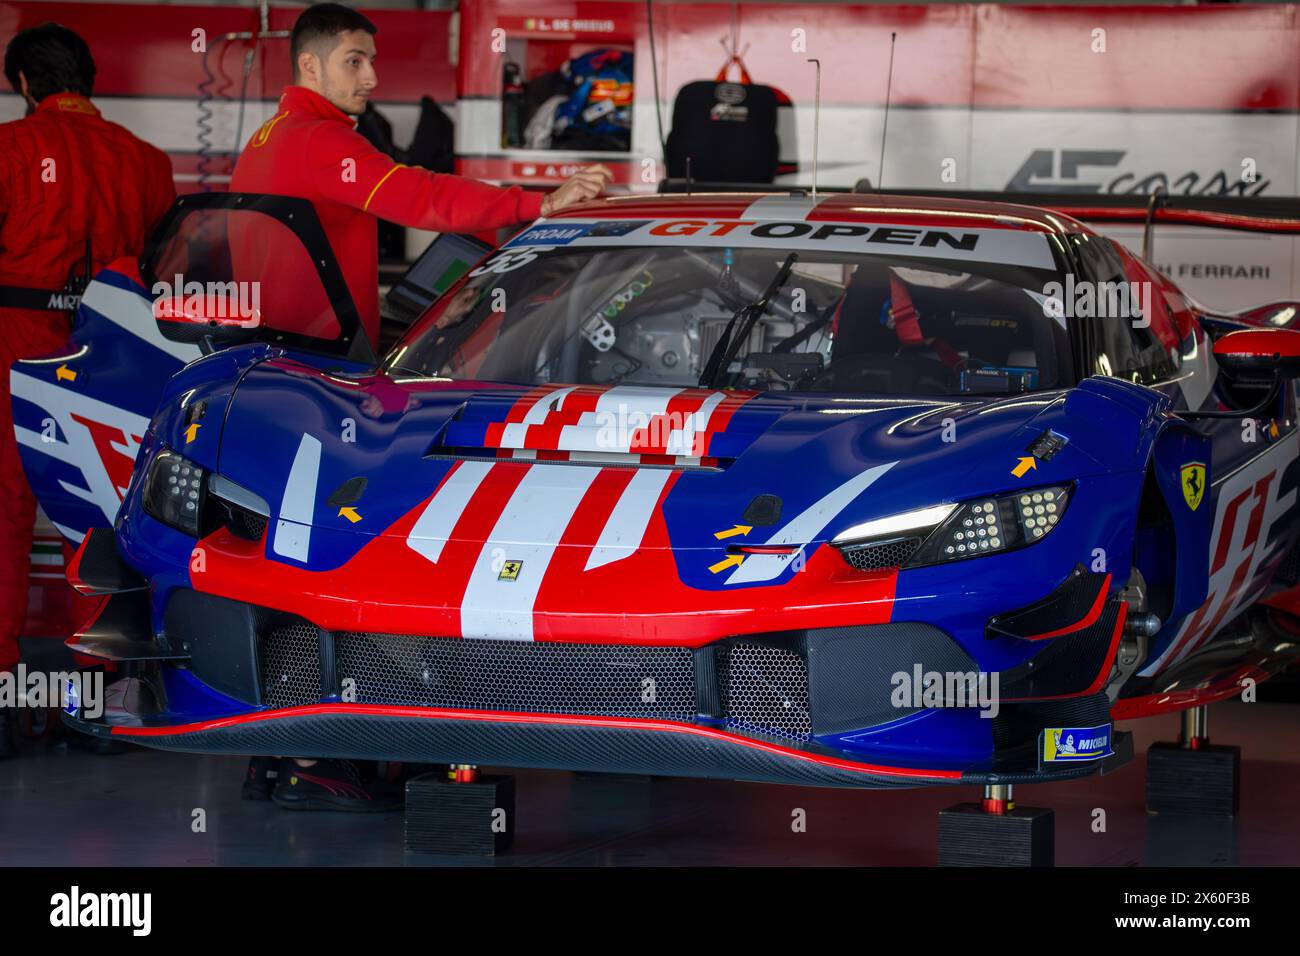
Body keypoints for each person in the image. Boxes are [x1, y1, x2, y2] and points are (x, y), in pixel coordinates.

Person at [231, 2, 612, 352]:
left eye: (371, 61)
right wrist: (540, 203)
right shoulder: (322, 139)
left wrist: (415, 320)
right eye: (354, 61)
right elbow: (420, 195)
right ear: (310, 65)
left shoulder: (267, 136)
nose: (371, 78)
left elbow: (296, 273)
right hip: (318, 362)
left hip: (273, 351)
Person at [0, 24, 175, 757]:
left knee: (6, 517)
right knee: (102, 516)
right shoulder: (148, 161)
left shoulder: (8, 149)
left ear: (21, 85)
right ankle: (101, 702)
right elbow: (168, 267)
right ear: (88, 81)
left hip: (16, 338)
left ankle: (8, 705)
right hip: (116, 353)